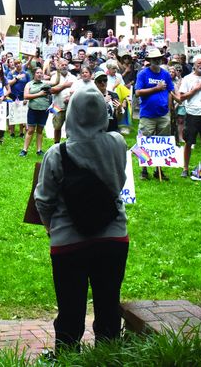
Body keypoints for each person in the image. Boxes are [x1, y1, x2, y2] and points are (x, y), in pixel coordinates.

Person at [34, 86, 128, 355]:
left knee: (70, 309)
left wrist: (52, 228)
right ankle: (107, 358)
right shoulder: (117, 143)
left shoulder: (57, 154)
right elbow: (119, 182)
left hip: (68, 242)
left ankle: (66, 358)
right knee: (109, 303)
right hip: (113, 237)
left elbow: (44, 200)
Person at [134, 48, 174, 180]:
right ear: (150, 61)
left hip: (163, 114)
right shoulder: (143, 74)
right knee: (143, 142)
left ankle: (159, 170)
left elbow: (171, 90)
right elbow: (138, 92)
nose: (157, 61)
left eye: (159, 58)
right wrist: (156, 88)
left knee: (161, 144)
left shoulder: (166, 74)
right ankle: (144, 170)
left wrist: (171, 106)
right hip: (147, 114)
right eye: (154, 59)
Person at [176, 54, 201, 181]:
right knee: (188, 142)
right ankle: (185, 168)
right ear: (194, 65)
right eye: (198, 63)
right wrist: (196, 89)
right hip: (192, 113)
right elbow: (181, 97)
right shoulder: (187, 79)